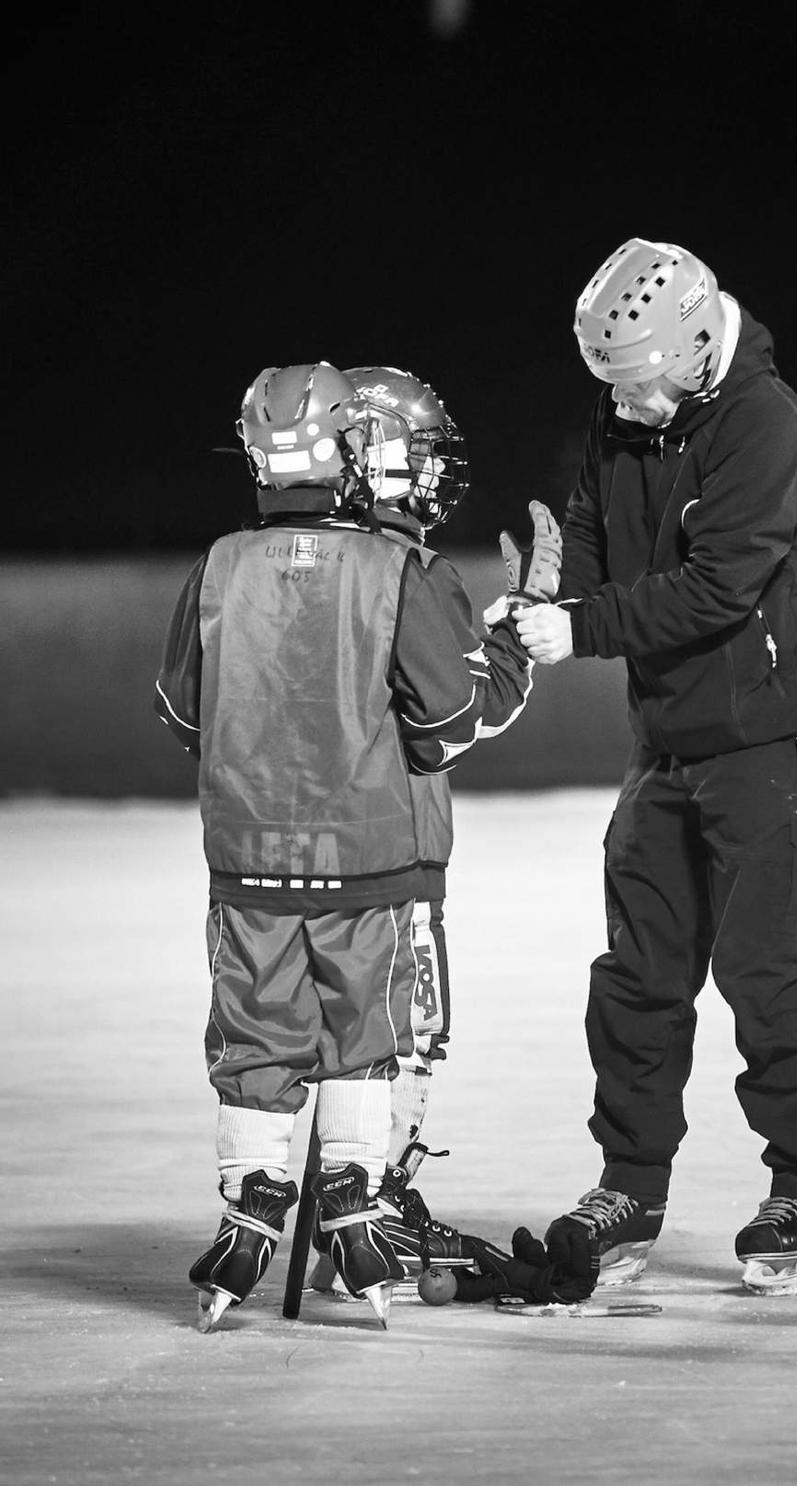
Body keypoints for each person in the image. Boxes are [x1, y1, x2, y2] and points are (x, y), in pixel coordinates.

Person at [154, 361, 558, 1329]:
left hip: (245, 863)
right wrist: (506, 634)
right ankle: (354, 1205)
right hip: (368, 862)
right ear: (349, 452)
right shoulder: (397, 571)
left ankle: (247, 1211)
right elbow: (449, 720)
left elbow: (180, 711)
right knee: (365, 1035)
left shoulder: (216, 563)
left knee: (256, 1034)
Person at [515, 238, 797, 1297]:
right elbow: (586, 531)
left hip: (773, 737)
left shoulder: (765, 427)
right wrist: (544, 596)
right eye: (614, 384)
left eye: (645, 378)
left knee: (760, 969)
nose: (631, 400)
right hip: (668, 736)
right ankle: (629, 1184)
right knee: (638, 975)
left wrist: (580, 628)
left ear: (698, 338)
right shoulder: (627, 418)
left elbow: (716, 590)